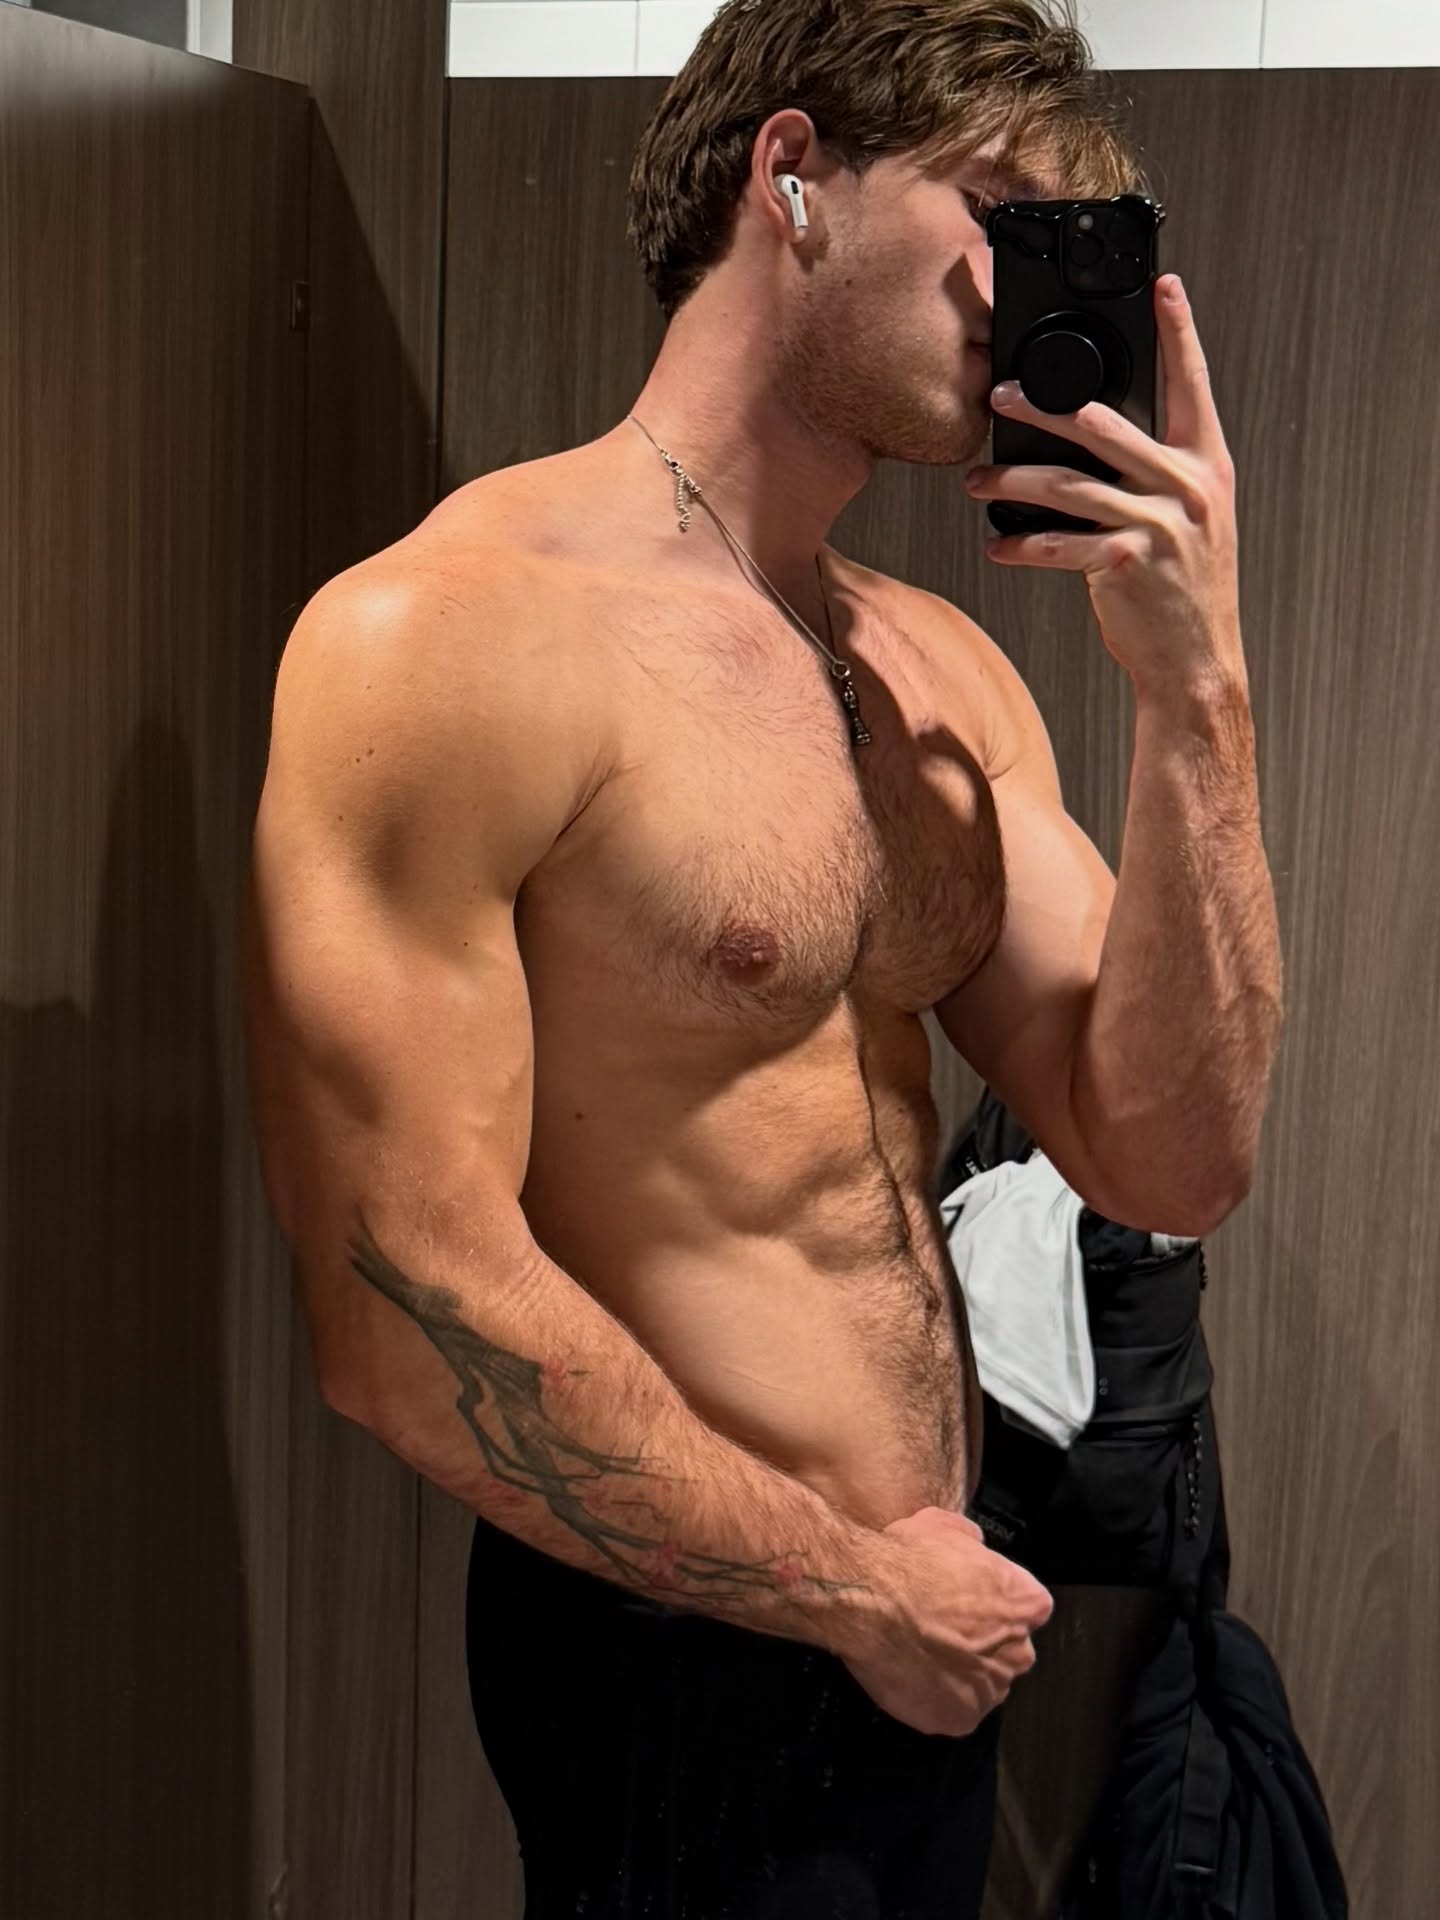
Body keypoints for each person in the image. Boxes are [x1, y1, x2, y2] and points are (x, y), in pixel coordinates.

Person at [239, 2, 1283, 1913]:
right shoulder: (449, 640)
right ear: (792, 175)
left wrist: (1196, 695)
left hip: (931, 1625)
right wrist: (853, 1591)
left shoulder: (938, 675)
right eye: (997, 212)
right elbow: (399, 1304)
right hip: (682, 1647)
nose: (1028, 291)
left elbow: (1171, 1154)